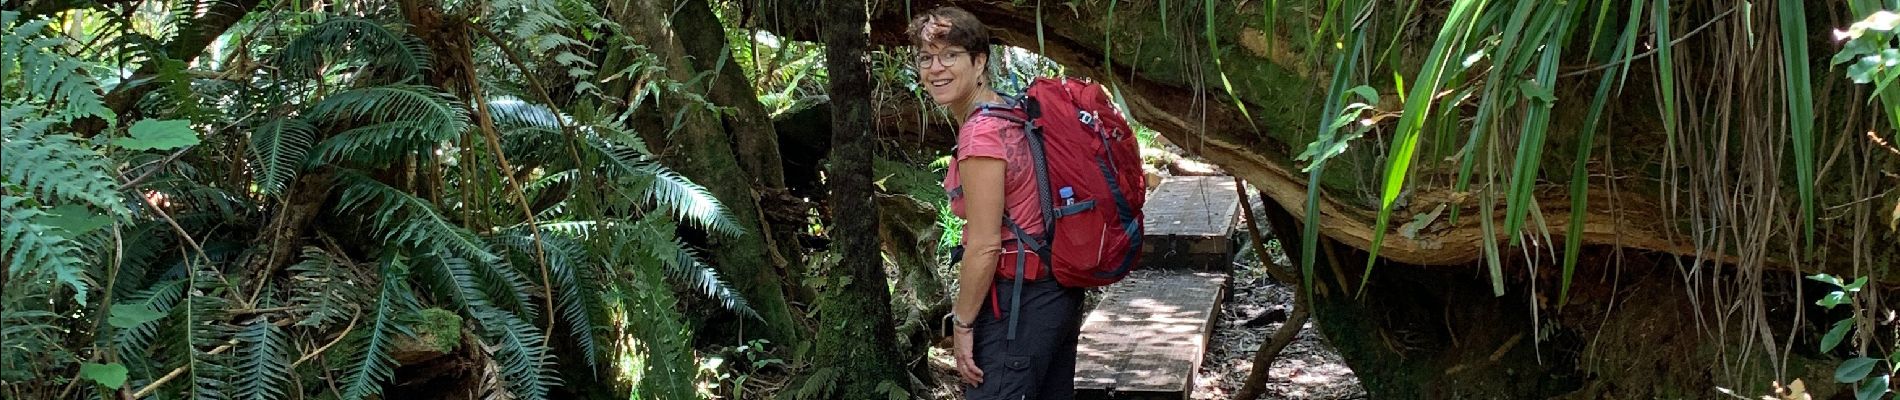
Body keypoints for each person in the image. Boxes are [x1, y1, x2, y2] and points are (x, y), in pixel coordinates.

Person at [911, 7, 1086, 399]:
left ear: (979, 61)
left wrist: (963, 325)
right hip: (1058, 292)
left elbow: (986, 245)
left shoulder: (982, 136)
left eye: (950, 55)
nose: (936, 68)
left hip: (1019, 304)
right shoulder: (1012, 111)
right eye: (926, 58)